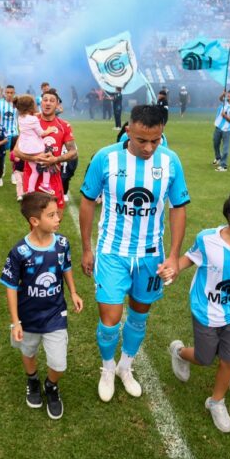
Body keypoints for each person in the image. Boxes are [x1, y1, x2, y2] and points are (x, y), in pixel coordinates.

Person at [79, 105, 190, 402]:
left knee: (139, 318)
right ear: (128, 130)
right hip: (112, 252)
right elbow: (88, 201)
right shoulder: (106, 157)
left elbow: (178, 208)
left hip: (151, 255)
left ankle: (125, 367)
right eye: (142, 140)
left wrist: (174, 256)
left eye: (155, 140)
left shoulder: (170, 161)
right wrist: (87, 247)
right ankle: (107, 368)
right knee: (110, 320)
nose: (149, 147)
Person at [169, 191, 230, 433]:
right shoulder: (207, 239)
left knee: (229, 359)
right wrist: (172, 269)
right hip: (206, 312)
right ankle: (179, 352)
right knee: (204, 358)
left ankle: (216, 401)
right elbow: (189, 259)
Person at [1, 192, 83, 420]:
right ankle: (33, 379)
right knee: (28, 351)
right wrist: (15, 321)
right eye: (52, 215)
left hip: (55, 314)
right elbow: (10, 286)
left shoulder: (62, 244)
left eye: (57, 213)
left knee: (59, 363)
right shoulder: (20, 252)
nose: (58, 218)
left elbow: (65, 267)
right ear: (34, 221)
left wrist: (74, 292)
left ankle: (51, 385)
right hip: (27, 317)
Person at [13, 89, 78, 213]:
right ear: (40, 103)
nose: (48, 103)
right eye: (45, 100)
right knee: (36, 223)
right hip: (32, 180)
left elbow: (73, 152)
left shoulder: (64, 125)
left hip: (53, 179)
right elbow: (16, 151)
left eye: (52, 101)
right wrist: (36, 159)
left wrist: (55, 159)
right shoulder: (30, 120)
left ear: (57, 105)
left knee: (56, 219)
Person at [14, 94, 57, 194]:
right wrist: (49, 129)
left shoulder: (20, 117)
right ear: (31, 107)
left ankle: (30, 190)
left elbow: (30, 117)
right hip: (35, 148)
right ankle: (45, 184)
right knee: (46, 163)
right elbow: (41, 133)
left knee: (35, 170)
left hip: (25, 148)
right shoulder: (33, 120)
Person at [0, 84, 19, 172]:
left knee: (15, 154)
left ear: (14, 93)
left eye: (11, 93)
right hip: (2, 133)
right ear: (5, 93)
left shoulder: (17, 103)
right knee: (1, 153)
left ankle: (13, 173)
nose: (9, 94)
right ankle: (2, 166)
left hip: (14, 132)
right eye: (7, 92)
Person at [212, 89, 230, 172]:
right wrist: (222, 94)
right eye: (228, 93)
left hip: (226, 129)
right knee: (215, 143)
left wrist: (224, 116)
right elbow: (220, 99)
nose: (228, 94)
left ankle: (223, 166)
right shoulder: (224, 102)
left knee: (225, 148)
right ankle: (218, 158)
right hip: (218, 127)